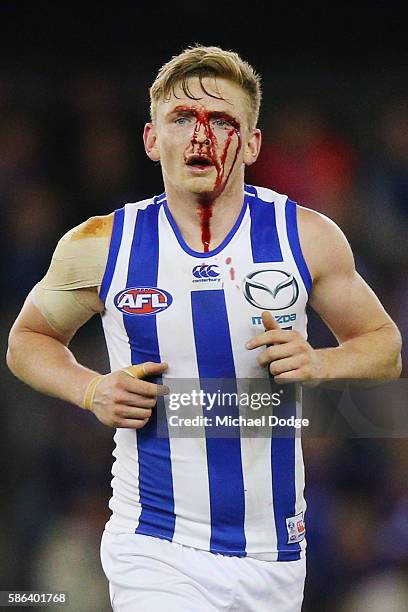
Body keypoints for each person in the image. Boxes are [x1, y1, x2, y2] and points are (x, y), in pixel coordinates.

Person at [7, 45, 402, 612]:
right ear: (150, 139)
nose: (201, 137)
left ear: (252, 143)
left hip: (275, 555)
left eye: (222, 121)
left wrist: (321, 361)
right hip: (154, 543)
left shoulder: (304, 237)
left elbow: (385, 346)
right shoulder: (102, 246)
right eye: (182, 119)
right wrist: (90, 389)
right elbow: (26, 342)